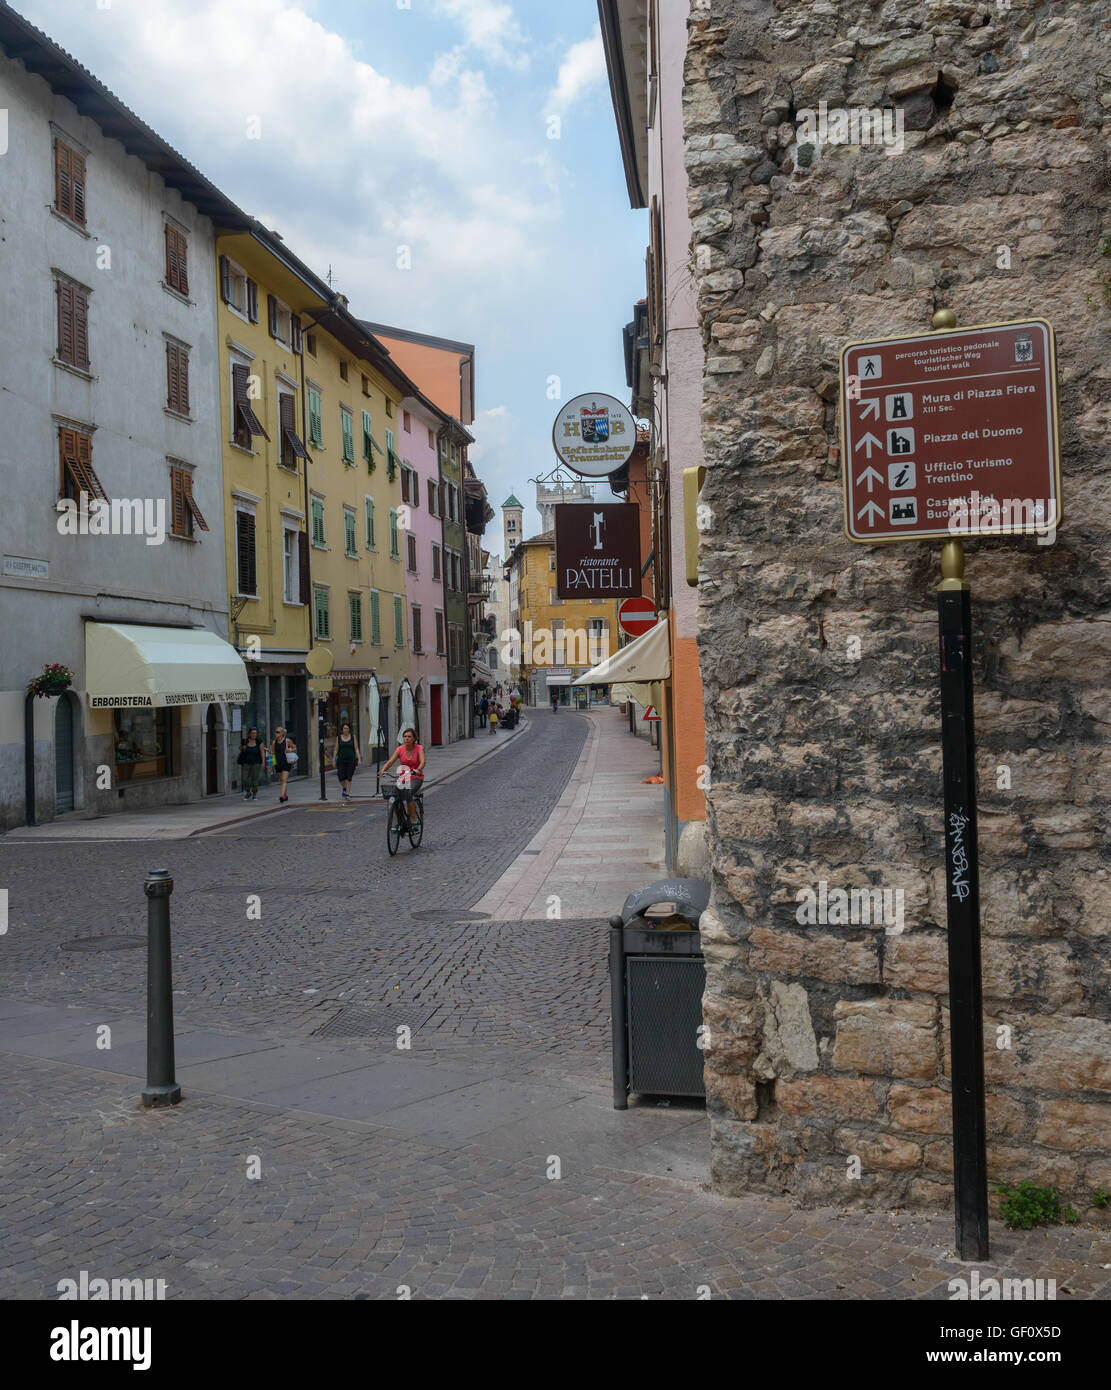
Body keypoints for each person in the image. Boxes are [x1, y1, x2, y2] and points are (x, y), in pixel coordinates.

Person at [381, 727, 425, 826]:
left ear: (414, 738)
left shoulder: (419, 748)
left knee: (408, 793)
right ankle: (401, 821)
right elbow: (390, 762)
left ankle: (413, 819)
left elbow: (423, 761)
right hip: (403, 778)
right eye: (405, 737)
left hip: (416, 777)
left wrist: (418, 770)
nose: (407, 739)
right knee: (393, 796)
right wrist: (383, 770)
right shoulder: (400, 749)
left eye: (409, 737)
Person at [333, 721, 359, 801]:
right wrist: (333, 760)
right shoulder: (339, 738)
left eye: (347, 728)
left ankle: (347, 794)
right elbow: (336, 750)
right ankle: (344, 788)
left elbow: (356, 748)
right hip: (341, 760)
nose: (346, 730)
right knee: (341, 777)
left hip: (351, 760)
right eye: (344, 728)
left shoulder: (353, 737)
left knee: (349, 777)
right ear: (342, 729)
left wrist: (359, 759)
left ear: (349, 729)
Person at [237, 727, 263, 800]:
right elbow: (240, 749)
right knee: (244, 778)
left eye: (255, 733)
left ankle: (254, 793)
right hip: (246, 763)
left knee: (254, 779)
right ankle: (248, 792)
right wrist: (243, 746)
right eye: (252, 733)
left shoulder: (259, 741)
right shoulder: (245, 741)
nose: (254, 734)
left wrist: (263, 762)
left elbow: (262, 752)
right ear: (249, 734)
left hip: (256, 763)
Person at [271, 727, 296, 803]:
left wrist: (290, 750)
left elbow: (294, 748)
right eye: (275, 732)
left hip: (286, 763)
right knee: (281, 781)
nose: (276, 733)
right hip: (278, 763)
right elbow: (273, 754)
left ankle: (282, 796)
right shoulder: (274, 743)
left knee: (284, 779)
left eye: (278, 732)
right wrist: (272, 765)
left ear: (282, 733)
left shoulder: (287, 741)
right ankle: (285, 795)